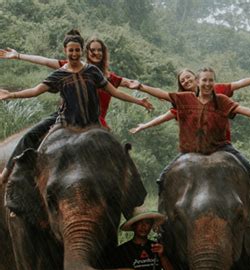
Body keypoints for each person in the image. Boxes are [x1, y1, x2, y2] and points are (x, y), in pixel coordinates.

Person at [0, 30, 152, 183]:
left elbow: (115, 92)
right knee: (32, 137)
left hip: (92, 122)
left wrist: (138, 101)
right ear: (65, 50)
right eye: (71, 50)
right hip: (66, 121)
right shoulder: (59, 74)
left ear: (81, 51)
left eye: (77, 50)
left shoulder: (93, 71)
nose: (74, 54)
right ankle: (5, 175)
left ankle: (130, 188)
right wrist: (11, 94)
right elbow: (36, 90)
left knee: (117, 154)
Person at [130, 67, 250, 219]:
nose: (207, 84)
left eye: (210, 80)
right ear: (198, 81)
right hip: (190, 150)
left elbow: (241, 108)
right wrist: (141, 87)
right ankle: (162, 217)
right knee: (163, 177)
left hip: (221, 147)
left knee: (249, 169)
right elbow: (162, 94)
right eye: (204, 80)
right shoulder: (184, 99)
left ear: (212, 82)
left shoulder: (221, 99)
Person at [130, 68, 250, 134]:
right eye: (182, 81)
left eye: (188, 77)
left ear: (196, 78)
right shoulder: (184, 101)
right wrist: (145, 125)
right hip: (196, 144)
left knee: (247, 169)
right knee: (166, 175)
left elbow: (239, 84)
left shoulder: (217, 90)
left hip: (220, 142)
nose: (186, 81)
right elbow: (165, 112)